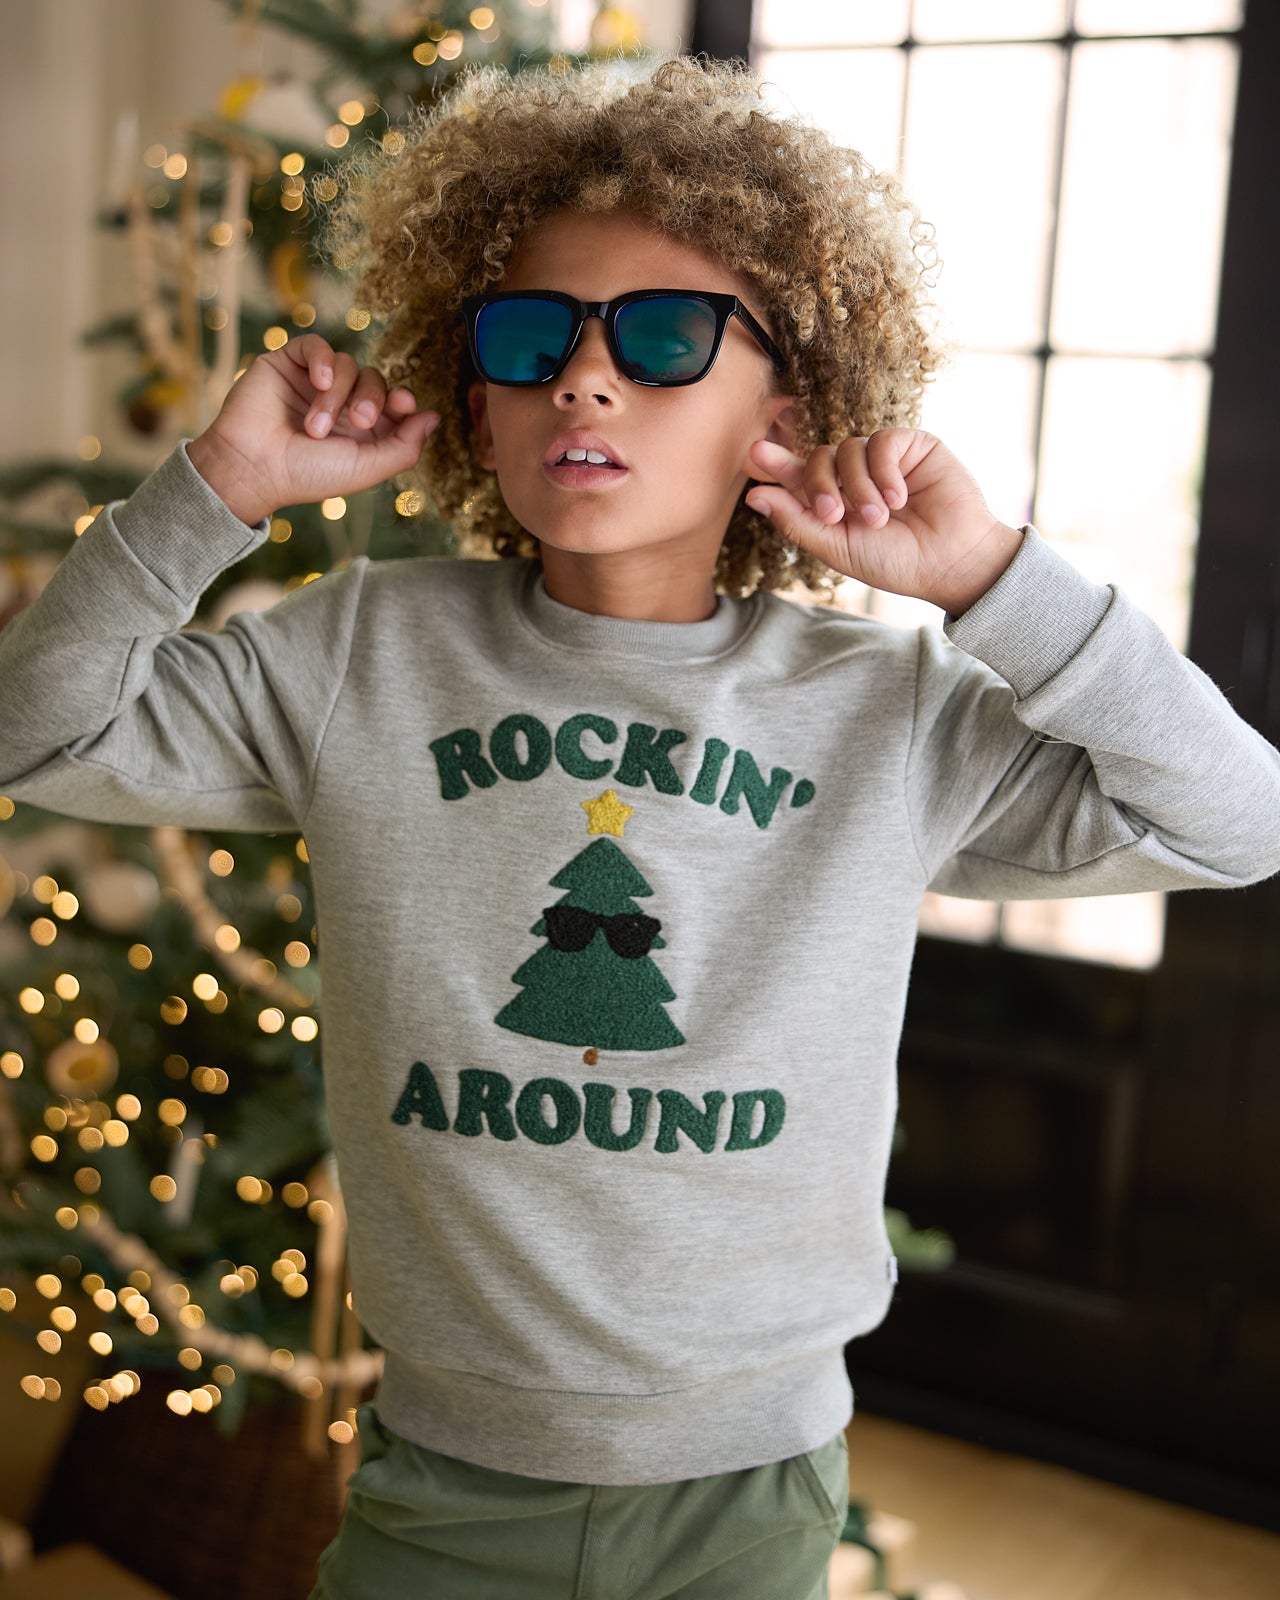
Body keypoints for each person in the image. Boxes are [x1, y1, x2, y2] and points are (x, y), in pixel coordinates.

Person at [2, 53, 1279, 1600]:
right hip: (444, 1480)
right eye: (532, 336)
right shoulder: (356, 654)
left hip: (744, 1491)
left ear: (784, 410)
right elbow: (43, 731)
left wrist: (1003, 582)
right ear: (476, 393)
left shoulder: (891, 709)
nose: (584, 380)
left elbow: (1235, 820)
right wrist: (213, 492)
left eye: (667, 338)